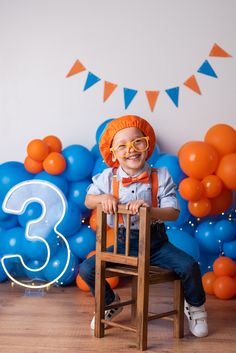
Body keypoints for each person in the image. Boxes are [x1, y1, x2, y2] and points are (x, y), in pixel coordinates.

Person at [80, 115, 208, 337]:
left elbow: (173, 212)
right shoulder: (107, 178)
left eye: (138, 141)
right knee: (87, 269)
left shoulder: (161, 176)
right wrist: (105, 198)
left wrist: (148, 210)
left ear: (147, 144)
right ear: (112, 153)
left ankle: (196, 307)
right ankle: (111, 302)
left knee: (189, 266)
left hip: (156, 244)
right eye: (122, 146)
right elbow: (88, 200)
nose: (131, 149)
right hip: (123, 245)